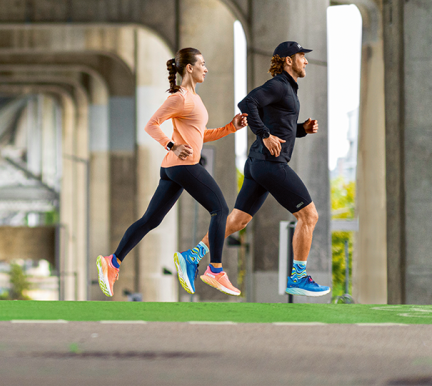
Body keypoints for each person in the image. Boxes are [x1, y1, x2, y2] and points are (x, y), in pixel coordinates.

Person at [175, 41, 330, 297]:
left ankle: (192, 256)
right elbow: (247, 104)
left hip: (258, 164)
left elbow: (280, 126)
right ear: (288, 60)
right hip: (270, 165)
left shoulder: (288, 89)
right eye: (301, 56)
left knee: (238, 221)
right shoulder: (279, 84)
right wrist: (265, 134)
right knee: (309, 216)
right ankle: (298, 277)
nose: (306, 61)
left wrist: (301, 129)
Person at [97, 47, 247, 298]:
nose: (206, 69)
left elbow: (201, 136)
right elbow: (151, 124)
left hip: (172, 169)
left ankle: (113, 262)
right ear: (190, 68)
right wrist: (172, 146)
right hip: (183, 166)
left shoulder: (194, 99)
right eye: (202, 64)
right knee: (220, 210)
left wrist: (231, 127)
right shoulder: (180, 98)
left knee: (151, 220)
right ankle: (215, 270)